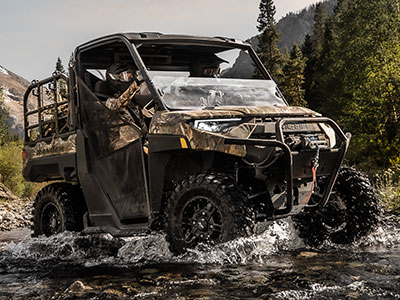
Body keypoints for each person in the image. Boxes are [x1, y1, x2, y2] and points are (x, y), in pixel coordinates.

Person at [104, 62, 147, 131]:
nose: (131, 79)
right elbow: (120, 103)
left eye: (133, 76)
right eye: (127, 77)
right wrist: (136, 83)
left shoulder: (133, 102)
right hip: (123, 141)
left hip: (139, 139)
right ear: (116, 78)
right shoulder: (111, 102)